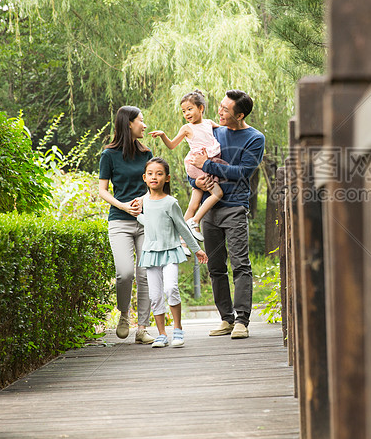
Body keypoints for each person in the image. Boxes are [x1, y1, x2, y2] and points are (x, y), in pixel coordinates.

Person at [188, 89, 265, 339]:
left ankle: (242, 320)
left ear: (240, 114)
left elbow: (243, 172)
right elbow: (194, 165)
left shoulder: (255, 138)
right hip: (210, 208)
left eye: (225, 109)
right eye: (220, 106)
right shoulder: (213, 131)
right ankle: (226, 319)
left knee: (241, 264)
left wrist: (207, 166)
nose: (219, 112)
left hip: (234, 206)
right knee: (216, 267)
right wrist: (195, 183)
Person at [135, 157, 207, 348]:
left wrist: (197, 250)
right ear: (144, 177)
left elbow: (183, 228)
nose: (154, 177)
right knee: (155, 295)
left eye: (159, 174)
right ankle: (161, 334)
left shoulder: (171, 202)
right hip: (151, 254)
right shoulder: (143, 202)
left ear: (166, 178)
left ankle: (177, 329)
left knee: (171, 288)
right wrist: (138, 215)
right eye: (150, 174)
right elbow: (148, 222)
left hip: (170, 252)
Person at [98, 105, 155, 344]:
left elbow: (154, 186)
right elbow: (102, 190)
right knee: (125, 273)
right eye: (141, 120)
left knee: (145, 274)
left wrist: (141, 200)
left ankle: (142, 328)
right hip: (120, 222)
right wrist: (122, 206)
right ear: (128, 123)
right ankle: (124, 315)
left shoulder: (146, 154)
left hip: (145, 221)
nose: (144, 125)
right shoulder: (108, 155)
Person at [148, 90, 224, 242]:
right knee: (218, 194)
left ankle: (181, 240)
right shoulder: (187, 128)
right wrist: (163, 135)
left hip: (206, 164)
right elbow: (172, 145)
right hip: (197, 165)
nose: (186, 114)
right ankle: (194, 222)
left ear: (201, 108)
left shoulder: (209, 123)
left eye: (190, 109)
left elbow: (224, 129)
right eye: (184, 111)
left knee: (194, 203)